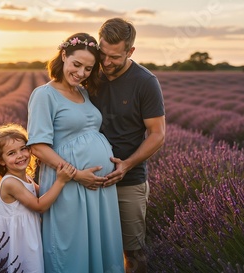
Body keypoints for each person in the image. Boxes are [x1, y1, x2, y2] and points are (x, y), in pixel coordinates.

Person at [27, 33, 124, 273]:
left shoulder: (82, 92)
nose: (81, 73)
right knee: (70, 246)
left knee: (98, 244)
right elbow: (38, 146)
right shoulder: (44, 95)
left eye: (89, 69)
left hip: (98, 188)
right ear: (63, 56)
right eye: (77, 64)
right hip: (69, 183)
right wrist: (77, 174)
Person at [91, 18, 166, 273]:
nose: (106, 62)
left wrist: (126, 165)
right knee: (91, 246)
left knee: (133, 253)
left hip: (129, 180)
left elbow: (157, 134)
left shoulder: (145, 82)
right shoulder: (90, 74)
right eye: (103, 54)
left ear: (130, 51)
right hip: (87, 179)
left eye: (115, 57)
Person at [0, 123, 77, 273]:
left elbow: (42, 193)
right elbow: (39, 206)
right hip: (16, 238)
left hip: (26, 232)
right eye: (11, 153)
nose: (20, 155)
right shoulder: (11, 183)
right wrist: (60, 181)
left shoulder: (27, 178)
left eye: (23, 149)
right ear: (1, 160)